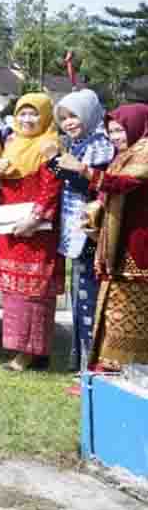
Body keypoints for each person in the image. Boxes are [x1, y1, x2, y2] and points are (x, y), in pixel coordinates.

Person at [0, 92, 65, 372]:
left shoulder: (49, 146)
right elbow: (0, 185)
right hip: (11, 228)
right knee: (14, 293)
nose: (26, 119)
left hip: (36, 231)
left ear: (46, 116)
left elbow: (53, 187)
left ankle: (30, 353)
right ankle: (24, 350)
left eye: (33, 113)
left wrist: (34, 219)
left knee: (34, 292)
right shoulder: (12, 144)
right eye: (22, 113)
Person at [52, 89, 116, 371]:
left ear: (89, 115)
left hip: (91, 232)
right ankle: (79, 360)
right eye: (63, 118)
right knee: (78, 297)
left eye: (74, 116)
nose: (68, 123)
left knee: (89, 298)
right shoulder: (78, 144)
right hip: (77, 231)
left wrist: (53, 162)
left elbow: (89, 186)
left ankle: (91, 365)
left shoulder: (101, 146)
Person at [86, 104, 148, 370]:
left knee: (128, 312)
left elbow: (119, 184)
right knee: (108, 307)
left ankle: (124, 371)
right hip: (113, 240)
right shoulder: (122, 156)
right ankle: (105, 368)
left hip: (138, 246)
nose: (115, 137)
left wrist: (82, 171)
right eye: (111, 131)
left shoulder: (144, 154)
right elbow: (103, 191)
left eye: (120, 130)